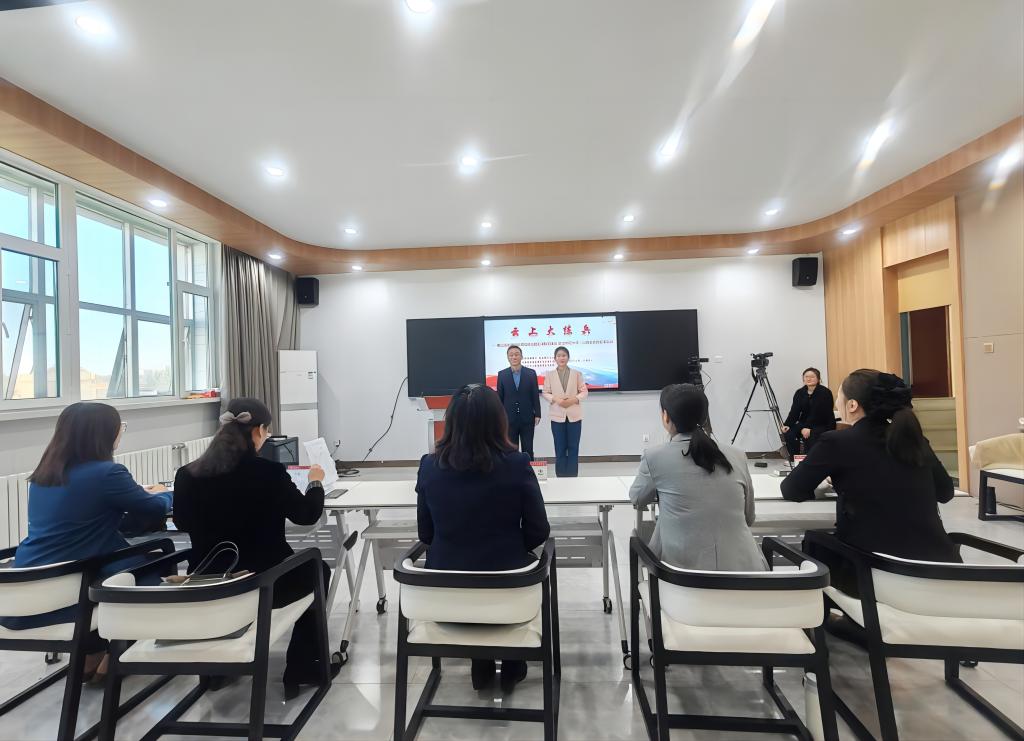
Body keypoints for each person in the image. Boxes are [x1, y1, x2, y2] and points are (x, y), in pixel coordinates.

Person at [172, 398, 340, 697]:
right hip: (265, 584)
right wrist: (315, 483)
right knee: (317, 569)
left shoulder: (187, 474)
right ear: (259, 431)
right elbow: (306, 515)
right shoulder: (269, 472)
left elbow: (182, 521)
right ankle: (302, 666)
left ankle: (215, 671)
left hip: (209, 582)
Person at [2, 402, 172, 681]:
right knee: (158, 563)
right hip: (67, 594)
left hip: (22, 591)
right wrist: (166, 493)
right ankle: (119, 650)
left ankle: (92, 652)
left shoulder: (45, 474)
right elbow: (153, 508)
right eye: (120, 427)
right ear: (103, 433)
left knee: (115, 561)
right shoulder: (107, 473)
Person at [415, 383, 551, 693]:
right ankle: (512, 665)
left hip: (445, 601)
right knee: (510, 566)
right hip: (509, 597)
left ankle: (482, 665)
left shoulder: (429, 466)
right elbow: (538, 530)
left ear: (450, 421)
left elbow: (426, 534)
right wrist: (512, 546)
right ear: (499, 421)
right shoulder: (517, 464)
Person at [781, 369, 960, 599]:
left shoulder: (836, 442)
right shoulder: (915, 441)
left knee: (816, 540)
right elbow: (945, 492)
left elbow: (791, 489)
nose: (837, 403)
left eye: (839, 397)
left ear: (852, 405)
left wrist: (832, 482)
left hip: (872, 575)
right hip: (939, 572)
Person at [629, 384, 763, 570]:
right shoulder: (737, 455)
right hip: (745, 574)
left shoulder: (654, 457)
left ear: (666, 416)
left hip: (681, 578)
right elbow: (748, 518)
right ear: (705, 416)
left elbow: (637, 499)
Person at [542, 346, 588, 477]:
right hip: (557, 415)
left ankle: (572, 475)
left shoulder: (577, 374)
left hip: (574, 416)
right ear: (555, 358)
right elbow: (545, 392)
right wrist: (556, 400)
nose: (561, 358)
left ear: (568, 358)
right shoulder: (550, 374)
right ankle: (561, 475)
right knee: (559, 447)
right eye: (559, 356)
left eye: (564, 355)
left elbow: (584, 391)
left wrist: (573, 399)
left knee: (573, 447)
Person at [496, 345, 542, 459]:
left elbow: (535, 395)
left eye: (516, 354)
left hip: (527, 417)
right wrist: (499, 417)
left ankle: (528, 469)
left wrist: (537, 414)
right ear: (508, 357)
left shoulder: (531, 373)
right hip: (509, 418)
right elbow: (499, 397)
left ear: (521, 356)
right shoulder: (502, 374)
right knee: (511, 450)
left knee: (528, 449)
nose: (514, 357)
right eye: (511, 355)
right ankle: (513, 470)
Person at [781, 367, 836, 457]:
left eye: (812, 377)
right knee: (789, 433)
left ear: (818, 379)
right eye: (806, 377)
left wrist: (809, 429)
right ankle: (795, 459)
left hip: (822, 424)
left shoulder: (825, 392)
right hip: (804, 423)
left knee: (811, 436)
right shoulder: (799, 392)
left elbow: (822, 414)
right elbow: (794, 411)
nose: (809, 379)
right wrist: (787, 424)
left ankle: (810, 460)